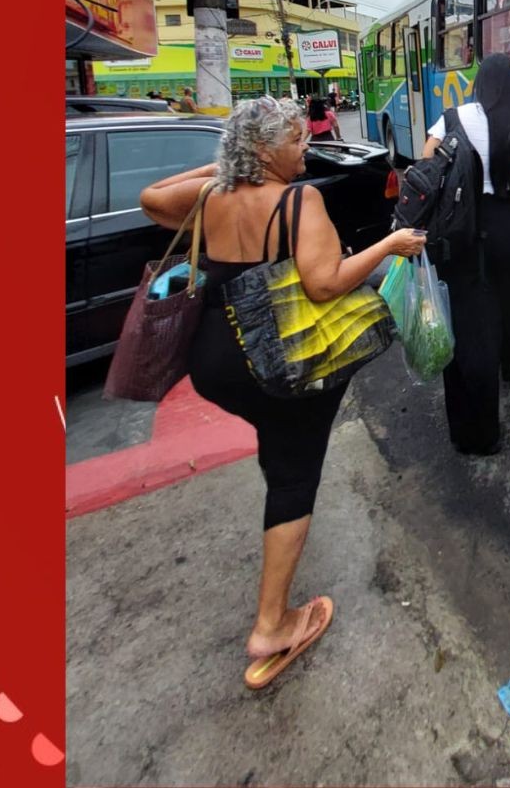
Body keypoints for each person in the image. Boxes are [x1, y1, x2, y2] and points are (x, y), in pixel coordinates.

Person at [138, 98, 427, 688]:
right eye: (295, 141)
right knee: (296, 474)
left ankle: (278, 462)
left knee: (279, 443)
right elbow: (325, 285)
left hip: (214, 362)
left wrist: (228, 167)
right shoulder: (302, 200)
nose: (306, 149)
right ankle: (273, 624)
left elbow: (152, 200)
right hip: (279, 361)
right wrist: (388, 247)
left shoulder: (213, 197)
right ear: (265, 149)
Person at [423, 54, 510, 455]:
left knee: (471, 319)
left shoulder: (450, 118)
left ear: (479, 84)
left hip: (463, 229)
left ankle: (477, 432)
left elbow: (427, 168)